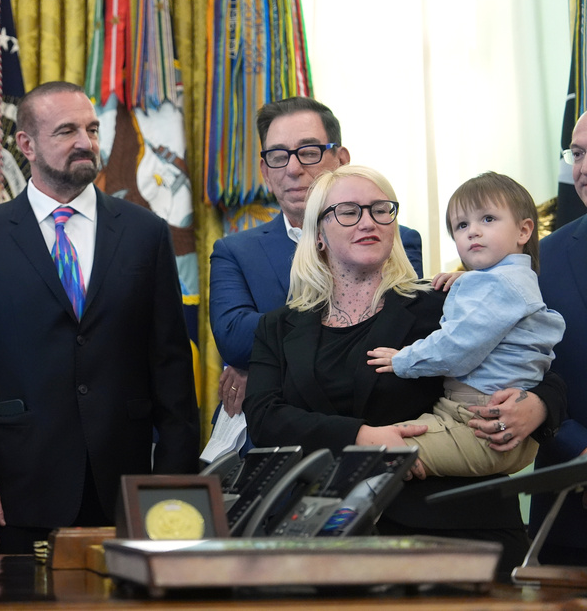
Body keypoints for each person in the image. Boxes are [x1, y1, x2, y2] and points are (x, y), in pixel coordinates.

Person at [243, 164, 565, 577]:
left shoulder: (441, 300)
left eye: (381, 210)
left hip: (455, 534)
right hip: (324, 535)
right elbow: (265, 418)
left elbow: (536, 359)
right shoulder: (279, 326)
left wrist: (538, 405)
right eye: (348, 212)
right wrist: (364, 438)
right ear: (318, 233)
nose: (368, 222)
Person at [0, 81, 200, 553]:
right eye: (66, 131)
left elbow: (172, 367)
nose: (85, 142)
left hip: (124, 486)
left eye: (92, 129)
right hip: (17, 490)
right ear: (26, 145)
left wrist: (174, 482)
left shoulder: (145, 233)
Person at [209, 97, 423, 417]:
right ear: (265, 171)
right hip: (268, 431)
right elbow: (236, 341)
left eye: (309, 152)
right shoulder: (234, 252)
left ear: (340, 159)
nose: (294, 169)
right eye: (279, 156)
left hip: (374, 419)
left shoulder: (392, 238)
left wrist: (266, 367)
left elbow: (392, 333)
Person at [368, 172, 564, 477]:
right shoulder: (508, 282)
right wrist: (470, 279)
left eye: (487, 219)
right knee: (378, 448)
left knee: (375, 459)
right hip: (470, 414)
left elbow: (457, 347)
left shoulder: (499, 287)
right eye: (461, 225)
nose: (473, 231)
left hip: (481, 423)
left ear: (524, 230)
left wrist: (402, 359)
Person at [531, 111, 587, 566]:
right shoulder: (541, 259)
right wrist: (577, 447)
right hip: (571, 511)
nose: (582, 168)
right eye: (578, 153)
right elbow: (519, 368)